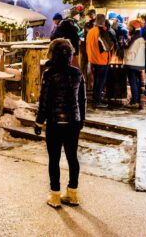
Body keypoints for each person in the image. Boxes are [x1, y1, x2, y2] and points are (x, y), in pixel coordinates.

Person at [34, 38, 86, 208]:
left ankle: (55, 196)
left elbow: (44, 101)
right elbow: (82, 100)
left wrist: (39, 122)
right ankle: (72, 194)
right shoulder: (77, 73)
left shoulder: (49, 74)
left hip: (55, 122)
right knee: (72, 158)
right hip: (73, 122)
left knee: (54, 159)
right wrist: (81, 120)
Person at [86, 14, 113, 108]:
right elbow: (107, 47)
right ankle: (97, 101)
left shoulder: (91, 31)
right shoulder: (101, 31)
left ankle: (95, 100)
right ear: (103, 21)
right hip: (102, 60)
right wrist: (112, 43)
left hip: (93, 59)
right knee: (100, 82)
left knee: (96, 81)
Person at [123, 20, 145, 108]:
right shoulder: (140, 37)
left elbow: (131, 51)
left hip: (132, 63)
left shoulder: (134, 38)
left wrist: (124, 50)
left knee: (133, 82)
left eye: (129, 27)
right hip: (138, 63)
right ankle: (137, 99)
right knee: (137, 82)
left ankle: (134, 102)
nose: (128, 28)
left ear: (133, 27)